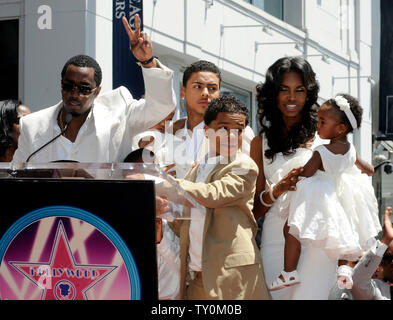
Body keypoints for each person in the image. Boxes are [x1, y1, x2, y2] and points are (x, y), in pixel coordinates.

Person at [12, 14, 176, 164]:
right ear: (61, 85)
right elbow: (17, 172)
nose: (75, 94)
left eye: (84, 88)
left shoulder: (120, 112)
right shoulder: (32, 126)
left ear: (97, 91)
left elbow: (161, 107)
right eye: (69, 86)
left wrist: (148, 62)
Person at [269, 94, 382, 291]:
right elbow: (369, 169)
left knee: (291, 228)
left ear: (340, 128)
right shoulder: (351, 149)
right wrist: (365, 170)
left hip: (320, 193)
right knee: (344, 232)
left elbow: (307, 173)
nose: (318, 125)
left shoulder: (321, 151)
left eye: (322, 121)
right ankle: (344, 270)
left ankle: (289, 272)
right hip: (341, 192)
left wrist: (294, 175)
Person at [163, 95, 270, 300]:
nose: (231, 136)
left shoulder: (244, 166)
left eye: (238, 130)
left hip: (231, 273)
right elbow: (184, 221)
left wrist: (167, 183)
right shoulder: (198, 169)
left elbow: (214, 194)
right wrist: (165, 210)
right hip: (198, 275)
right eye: (223, 129)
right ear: (206, 131)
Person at [250, 56, 337, 300]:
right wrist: (276, 190)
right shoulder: (259, 143)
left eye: (299, 90)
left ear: (308, 94)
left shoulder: (327, 138)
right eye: (284, 90)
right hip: (276, 244)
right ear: (273, 94)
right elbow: (254, 211)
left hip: (317, 242)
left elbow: (344, 194)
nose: (291, 98)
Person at [172, 60, 255, 178]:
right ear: (183, 91)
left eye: (212, 88)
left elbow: (249, 177)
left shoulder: (239, 132)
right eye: (198, 86)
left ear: (219, 94)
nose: (205, 93)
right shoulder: (173, 132)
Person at [328, 207, 393, 300]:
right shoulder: (377, 289)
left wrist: (385, 242)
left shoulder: (379, 291)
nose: (377, 267)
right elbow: (358, 280)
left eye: (384, 257)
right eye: (358, 263)